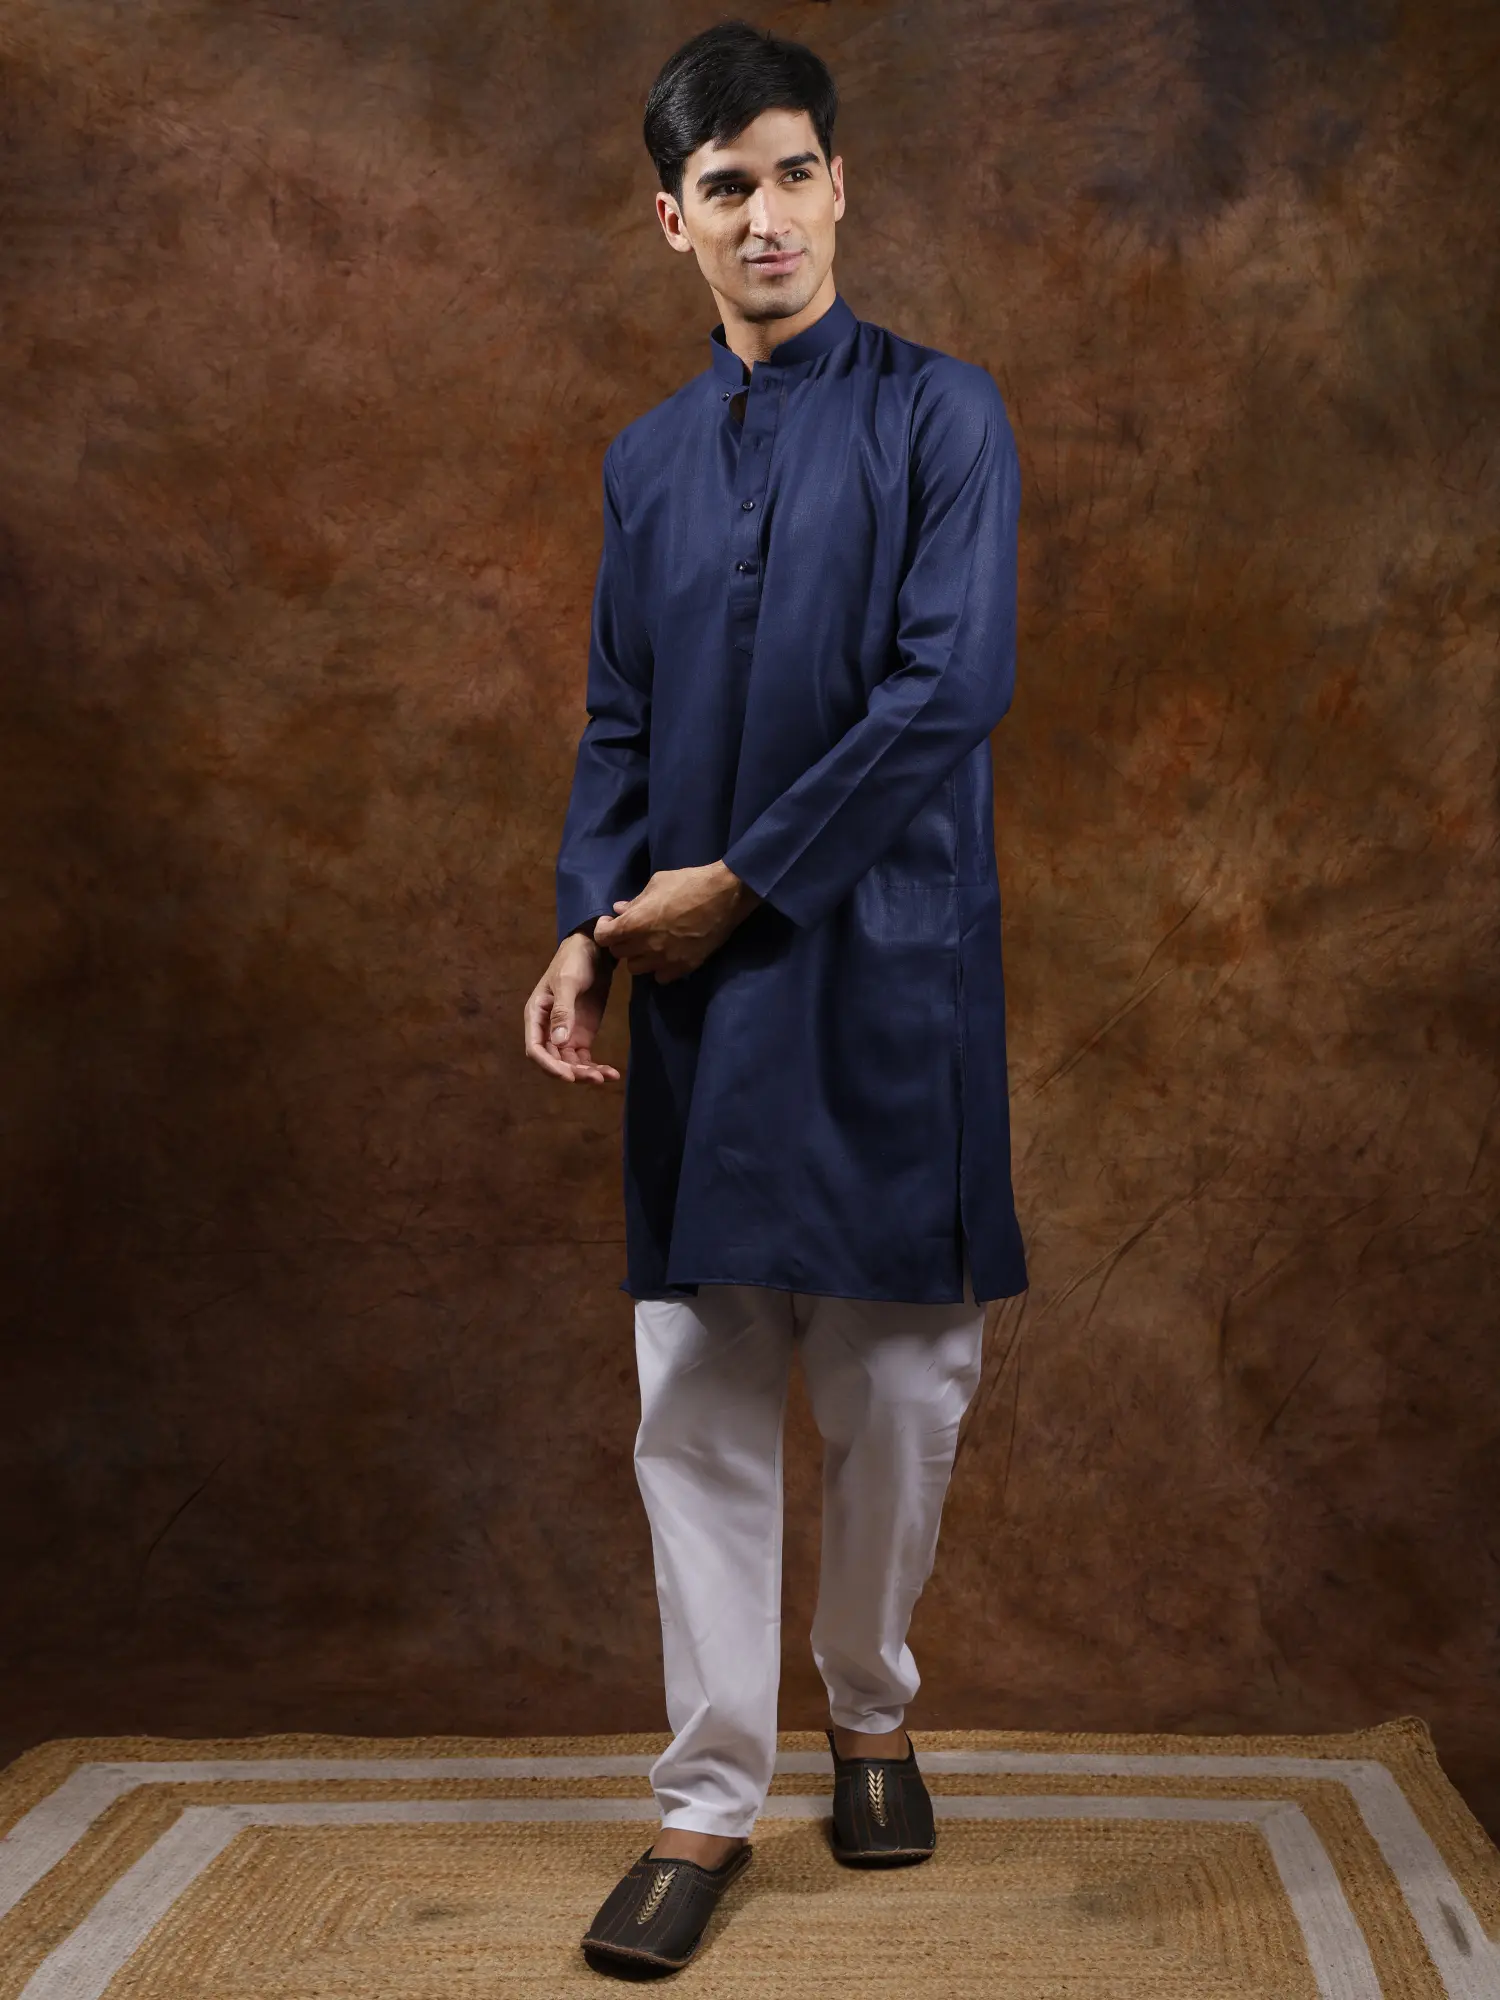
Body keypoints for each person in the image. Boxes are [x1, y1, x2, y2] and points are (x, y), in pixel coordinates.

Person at [523, 17, 1028, 1978]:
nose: (766, 215)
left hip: (885, 970)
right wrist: (588, 925)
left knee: (900, 1391)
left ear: (840, 189)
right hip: (695, 999)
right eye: (723, 185)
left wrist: (740, 884)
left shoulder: (943, 416)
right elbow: (618, 723)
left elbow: (950, 685)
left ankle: (872, 1708)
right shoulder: (646, 463)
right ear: (674, 218)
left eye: (792, 173)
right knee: (702, 1391)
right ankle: (708, 1797)